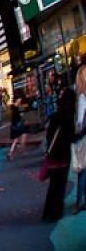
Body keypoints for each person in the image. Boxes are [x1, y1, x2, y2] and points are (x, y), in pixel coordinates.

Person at [42, 88, 76, 222]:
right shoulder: (68, 117)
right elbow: (71, 137)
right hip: (64, 155)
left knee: (53, 184)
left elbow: (49, 135)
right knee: (60, 184)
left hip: (53, 153)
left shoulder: (55, 116)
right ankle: (56, 211)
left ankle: (48, 211)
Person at [74, 59, 86, 213]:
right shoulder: (82, 96)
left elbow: (79, 121)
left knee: (83, 171)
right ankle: (79, 201)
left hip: (84, 136)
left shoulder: (82, 96)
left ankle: (79, 201)